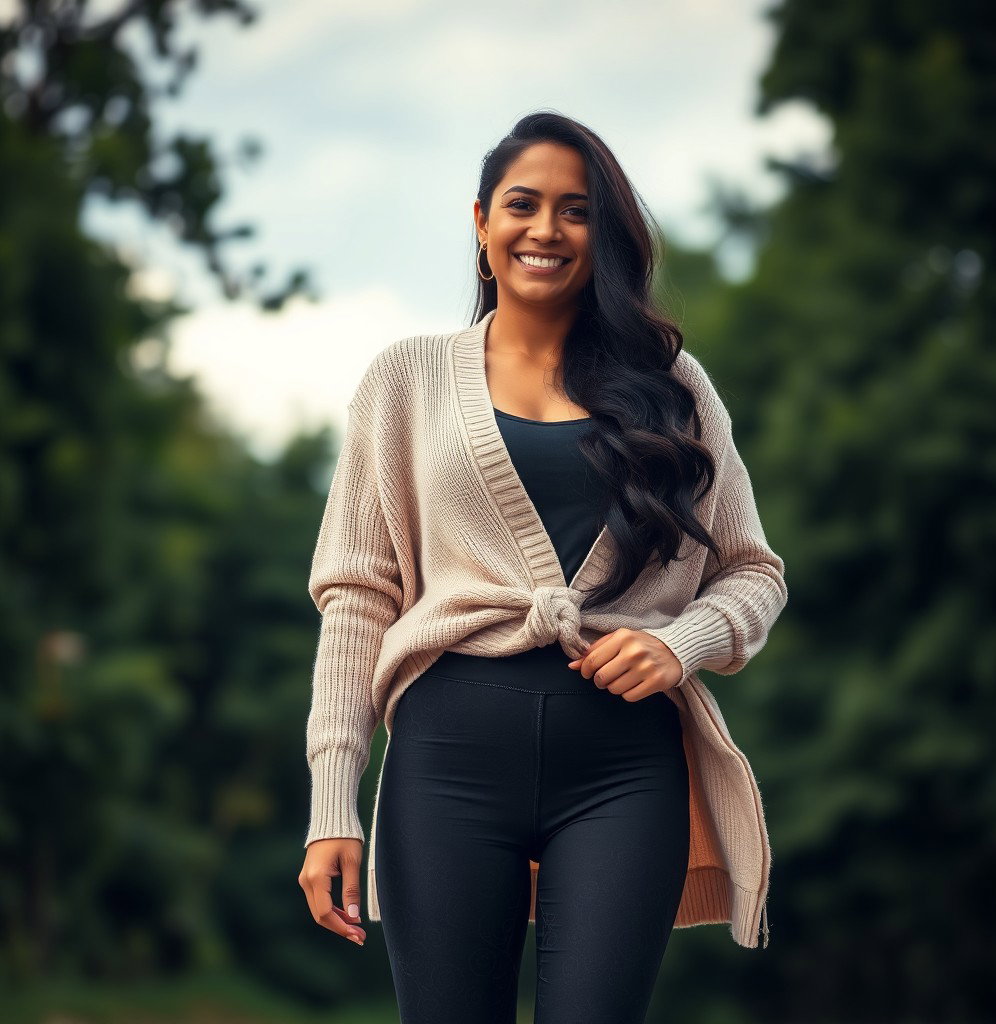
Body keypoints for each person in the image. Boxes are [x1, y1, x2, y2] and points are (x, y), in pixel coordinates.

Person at [297, 111, 788, 1024]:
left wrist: (679, 644)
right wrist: (334, 803)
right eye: (523, 204)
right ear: (482, 222)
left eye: (578, 211)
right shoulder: (404, 381)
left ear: (605, 236)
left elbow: (754, 572)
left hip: (624, 769)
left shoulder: (675, 387)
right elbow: (358, 598)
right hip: (445, 761)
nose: (547, 230)